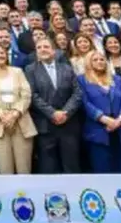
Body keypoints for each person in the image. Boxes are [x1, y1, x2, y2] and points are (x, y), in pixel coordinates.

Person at [24, 38, 82, 174]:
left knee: (71, 165)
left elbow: (77, 93)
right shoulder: (30, 70)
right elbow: (33, 95)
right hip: (45, 124)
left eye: (46, 46)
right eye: (39, 47)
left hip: (68, 123)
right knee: (48, 166)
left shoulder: (67, 68)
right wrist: (52, 113)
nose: (43, 50)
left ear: (54, 51)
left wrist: (66, 112)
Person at [78, 50, 121, 173]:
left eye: (102, 59)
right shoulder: (81, 80)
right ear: (88, 63)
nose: (100, 62)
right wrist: (104, 119)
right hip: (98, 132)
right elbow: (84, 103)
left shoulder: (117, 79)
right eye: (95, 60)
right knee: (103, 171)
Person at [0, 43, 36, 174]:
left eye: (2, 53)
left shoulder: (18, 71)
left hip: (21, 122)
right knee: (5, 170)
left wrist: (15, 113)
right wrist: (3, 115)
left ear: (6, 55)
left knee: (24, 169)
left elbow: (26, 94)